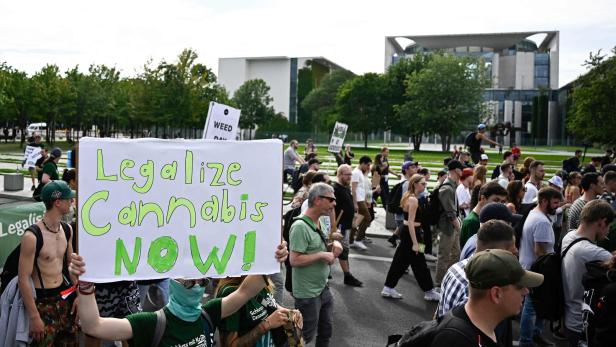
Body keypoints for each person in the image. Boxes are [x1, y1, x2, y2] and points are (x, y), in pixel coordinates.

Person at [68, 242, 289, 347]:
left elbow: (245, 291)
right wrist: (86, 286)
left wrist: (272, 257)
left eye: (201, 281)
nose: (196, 285)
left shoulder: (209, 314)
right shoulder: (150, 323)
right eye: (188, 280)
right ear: (172, 282)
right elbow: (93, 326)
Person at [431, 249, 543, 347]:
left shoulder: (490, 327)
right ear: (496, 294)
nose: (526, 291)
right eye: (519, 286)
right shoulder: (457, 340)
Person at [18, 180, 77, 346]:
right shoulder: (32, 237)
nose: (72, 202)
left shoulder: (67, 229)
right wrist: (34, 316)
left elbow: (70, 265)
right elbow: (23, 279)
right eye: (69, 199)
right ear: (58, 202)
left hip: (65, 299)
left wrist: (78, 292)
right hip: (43, 304)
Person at [289, 183, 343, 346]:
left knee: (326, 332)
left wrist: (334, 246)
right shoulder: (300, 226)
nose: (334, 203)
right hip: (307, 294)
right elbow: (294, 260)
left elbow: (323, 244)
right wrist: (321, 254)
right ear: (318, 200)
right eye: (331, 199)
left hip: (323, 288)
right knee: (303, 337)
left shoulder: (320, 222)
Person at [437, 220, 518, 320]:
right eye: (512, 253)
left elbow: (437, 313)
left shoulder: (456, 267)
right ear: (497, 253)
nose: (515, 256)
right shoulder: (477, 287)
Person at [561, 200, 615, 346]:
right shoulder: (593, 252)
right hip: (583, 324)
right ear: (602, 222)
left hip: (569, 318)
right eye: (608, 226)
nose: (608, 231)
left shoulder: (570, 236)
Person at [381, 174, 440, 301]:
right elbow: (412, 223)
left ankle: (388, 287)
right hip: (413, 233)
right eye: (423, 183)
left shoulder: (409, 196)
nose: (425, 185)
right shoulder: (413, 199)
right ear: (415, 184)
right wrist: (415, 242)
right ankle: (429, 291)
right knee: (419, 263)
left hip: (410, 232)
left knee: (401, 261)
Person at [518, 187, 562, 347]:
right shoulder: (542, 221)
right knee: (531, 307)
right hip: (538, 269)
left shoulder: (534, 213)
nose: (557, 206)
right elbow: (540, 251)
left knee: (534, 306)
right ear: (544, 201)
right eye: (555, 203)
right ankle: (526, 341)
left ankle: (534, 335)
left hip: (530, 267)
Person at [215, 276, 303, 347]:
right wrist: (266, 324)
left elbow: (267, 304)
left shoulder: (258, 281)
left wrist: (288, 313)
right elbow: (229, 344)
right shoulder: (229, 292)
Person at [332, 164, 363, 287]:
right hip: (340, 227)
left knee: (341, 250)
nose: (350, 176)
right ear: (339, 175)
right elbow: (332, 210)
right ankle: (347, 276)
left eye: (351, 174)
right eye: (347, 174)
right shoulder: (336, 189)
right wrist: (335, 227)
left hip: (346, 225)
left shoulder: (345, 187)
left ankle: (343, 275)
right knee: (342, 251)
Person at [435, 160, 463, 286]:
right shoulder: (447, 187)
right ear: (456, 170)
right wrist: (459, 228)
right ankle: (438, 284)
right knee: (444, 256)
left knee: (456, 254)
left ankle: (447, 279)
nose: (462, 171)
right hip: (447, 228)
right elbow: (450, 213)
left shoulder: (453, 185)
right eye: (461, 169)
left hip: (453, 227)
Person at [459, 182, 509, 249]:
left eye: (502, 202)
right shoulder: (472, 222)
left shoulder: (483, 219)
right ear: (483, 198)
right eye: (496, 200)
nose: (500, 205)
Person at [350, 156, 372, 250]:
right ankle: (358, 240)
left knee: (356, 221)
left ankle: (351, 240)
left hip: (361, 199)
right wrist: (355, 203)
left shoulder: (360, 173)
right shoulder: (355, 173)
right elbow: (353, 189)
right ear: (362, 163)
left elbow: (361, 189)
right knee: (368, 218)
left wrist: (366, 200)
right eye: (367, 165)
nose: (368, 167)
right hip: (358, 200)